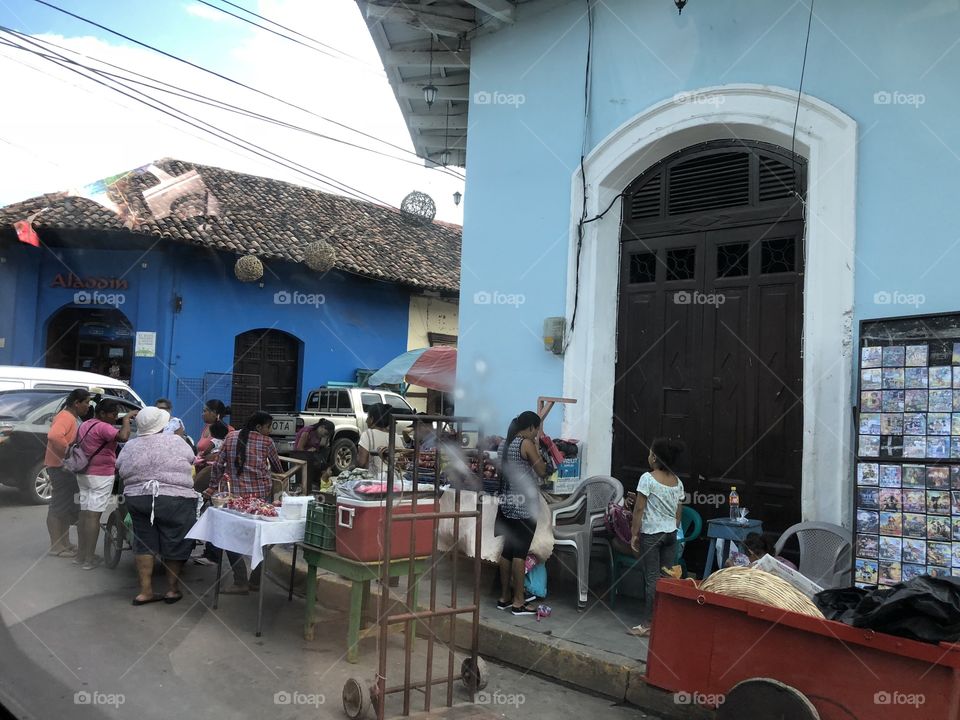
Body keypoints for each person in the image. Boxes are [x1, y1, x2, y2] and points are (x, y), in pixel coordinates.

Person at [116, 406, 197, 605]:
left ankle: (145, 592)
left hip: (138, 498)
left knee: (143, 541)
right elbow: (192, 459)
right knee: (175, 539)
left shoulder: (131, 445)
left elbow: (119, 466)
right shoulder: (177, 441)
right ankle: (172, 590)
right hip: (175, 498)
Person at [211, 411, 284, 593]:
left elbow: (218, 465)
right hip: (260, 500)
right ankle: (255, 580)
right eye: (269, 427)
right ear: (259, 427)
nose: (270, 431)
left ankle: (240, 579)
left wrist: (212, 487)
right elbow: (277, 468)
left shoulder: (230, 436)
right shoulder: (267, 442)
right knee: (263, 539)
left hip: (235, 500)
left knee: (229, 536)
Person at [628, 438, 686, 637]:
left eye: (650, 452)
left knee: (652, 579)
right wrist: (672, 528)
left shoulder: (647, 478)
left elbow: (639, 508)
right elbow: (679, 514)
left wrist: (634, 533)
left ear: (654, 457)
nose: (648, 456)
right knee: (666, 578)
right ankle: (665, 622)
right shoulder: (678, 482)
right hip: (671, 534)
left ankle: (648, 624)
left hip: (652, 534)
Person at [495, 411, 548, 616]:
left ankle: (504, 597)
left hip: (507, 503)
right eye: (536, 430)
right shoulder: (526, 444)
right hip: (524, 506)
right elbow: (542, 471)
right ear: (531, 428)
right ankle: (519, 601)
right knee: (520, 552)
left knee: (507, 551)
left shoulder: (503, 444)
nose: (536, 434)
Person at [74, 399, 137, 569]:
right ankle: (89, 559)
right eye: (113, 415)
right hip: (100, 475)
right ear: (102, 414)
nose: (115, 417)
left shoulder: (86, 424)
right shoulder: (103, 427)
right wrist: (125, 421)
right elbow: (123, 437)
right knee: (94, 516)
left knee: (85, 513)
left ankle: (80, 555)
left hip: (83, 472)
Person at [44, 388, 91, 557]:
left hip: (64, 467)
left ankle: (64, 543)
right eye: (86, 402)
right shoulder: (65, 417)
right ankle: (56, 546)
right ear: (76, 403)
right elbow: (55, 436)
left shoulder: (71, 417)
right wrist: (71, 454)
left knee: (64, 507)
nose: (88, 406)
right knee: (58, 506)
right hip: (60, 467)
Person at [356, 403, 403, 480]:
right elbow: (401, 461)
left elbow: (362, 462)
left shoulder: (367, 434)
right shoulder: (395, 436)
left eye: (368, 417)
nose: (366, 421)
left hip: (374, 480)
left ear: (372, 419)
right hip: (394, 479)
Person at [290, 418, 335, 491]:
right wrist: (308, 450)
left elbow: (316, 449)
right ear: (322, 427)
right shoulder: (307, 431)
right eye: (325, 433)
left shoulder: (319, 436)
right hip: (300, 456)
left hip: (310, 457)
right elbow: (299, 448)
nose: (324, 436)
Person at [726, 532, 798, 570]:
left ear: (751, 553)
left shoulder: (758, 567)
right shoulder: (780, 559)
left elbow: (742, 578)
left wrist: (732, 567)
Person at [193, 420, 229, 494]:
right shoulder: (225, 441)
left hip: (210, 464)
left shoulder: (214, 441)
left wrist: (203, 454)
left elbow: (207, 450)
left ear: (213, 433)